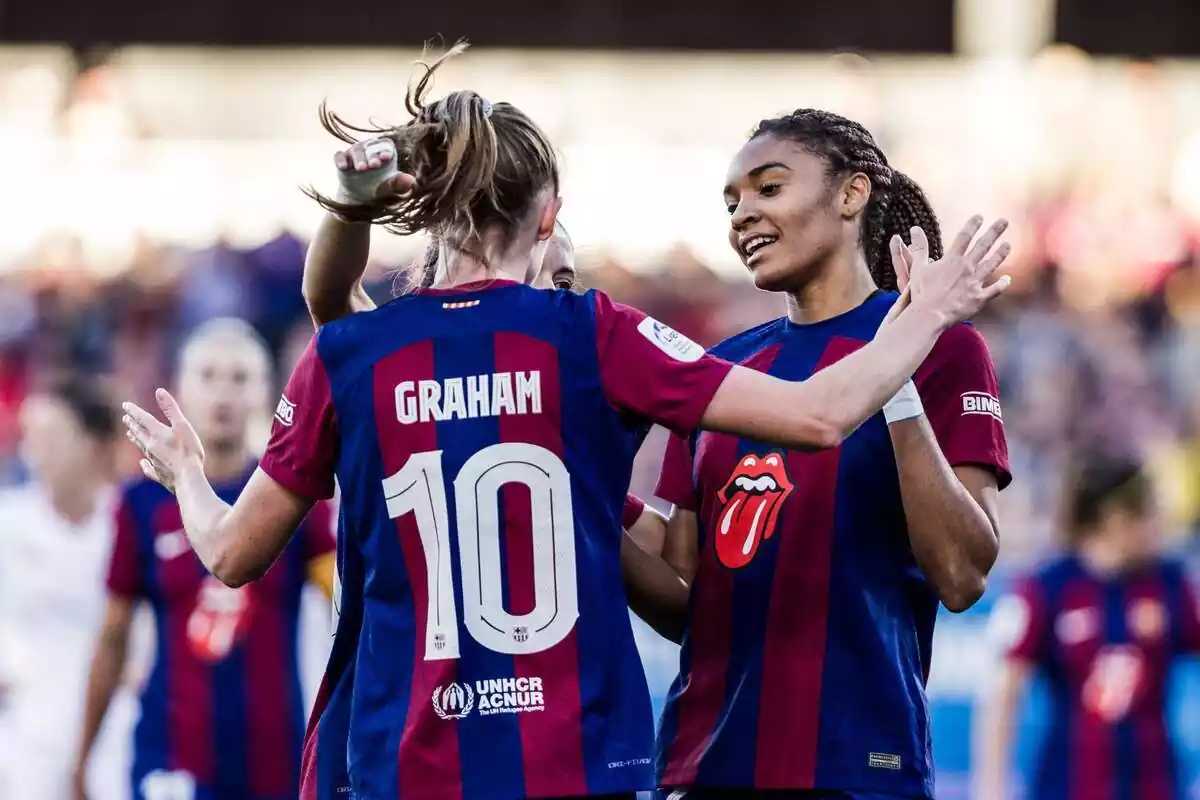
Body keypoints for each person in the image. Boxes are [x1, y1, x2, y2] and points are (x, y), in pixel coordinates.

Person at [119, 43, 1008, 800]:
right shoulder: (592, 337)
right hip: (575, 762)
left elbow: (234, 550)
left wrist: (190, 478)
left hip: (400, 756)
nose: (742, 212)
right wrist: (923, 317)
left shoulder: (355, 354)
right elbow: (817, 417)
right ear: (549, 222)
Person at [631, 109, 1012, 799]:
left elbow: (962, 575)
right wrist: (581, 502)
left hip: (860, 768)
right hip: (703, 767)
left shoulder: (943, 347)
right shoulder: (720, 369)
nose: (742, 215)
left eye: (768, 189)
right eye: (732, 202)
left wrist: (896, 372)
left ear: (850, 194)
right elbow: (686, 598)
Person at [298, 185, 670, 799]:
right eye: (544, 271)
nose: (552, 295)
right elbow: (330, 299)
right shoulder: (384, 366)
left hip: (540, 759)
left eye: (568, 281)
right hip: (414, 748)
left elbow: (660, 551)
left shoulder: (562, 428)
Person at [74, 319, 336, 800]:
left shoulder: (296, 495)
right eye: (209, 375)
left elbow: (347, 607)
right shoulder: (141, 502)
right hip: (172, 756)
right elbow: (113, 635)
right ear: (181, 388)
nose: (224, 393)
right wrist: (83, 755)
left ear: (265, 393)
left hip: (276, 758)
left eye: (239, 378)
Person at [976, 454, 1200, 800]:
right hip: (1065, 786)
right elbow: (1006, 690)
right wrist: (990, 788)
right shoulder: (1046, 588)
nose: (1162, 525)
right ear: (1116, 519)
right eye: (1152, 514)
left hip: (1156, 787)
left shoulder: (1173, 584)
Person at [0, 376, 132, 800]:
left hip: (117, 724)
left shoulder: (128, 524)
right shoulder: (8, 523)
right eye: (31, 438)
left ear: (93, 445)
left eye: (53, 437)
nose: (35, 453)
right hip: (26, 730)